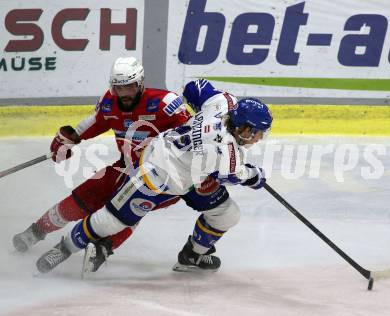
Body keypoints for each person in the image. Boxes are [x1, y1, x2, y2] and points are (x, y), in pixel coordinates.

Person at [36, 79, 272, 274]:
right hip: (156, 172)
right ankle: (63, 248)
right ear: (244, 128)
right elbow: (238, 175)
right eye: (258, 133)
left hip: (187, 173)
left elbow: (195, 87)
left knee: (226, 214)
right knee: (111, 220)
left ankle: (192, 256)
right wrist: (256, 175)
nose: (259, 138)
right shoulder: (227, 153)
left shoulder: (223, 104)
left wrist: (199, 121)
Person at [12, 57, 189, 259]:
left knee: (129, 210)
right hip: (123, 167)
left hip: (158, 176)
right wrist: (70, 138)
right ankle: (37, 231)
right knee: (84, 196)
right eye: (118, 88)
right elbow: (95, 122)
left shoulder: (164, 104)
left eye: (129, 87)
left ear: (140, 83)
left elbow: (191, 133)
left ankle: (102, 248)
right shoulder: (109, 103)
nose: (123, 94)